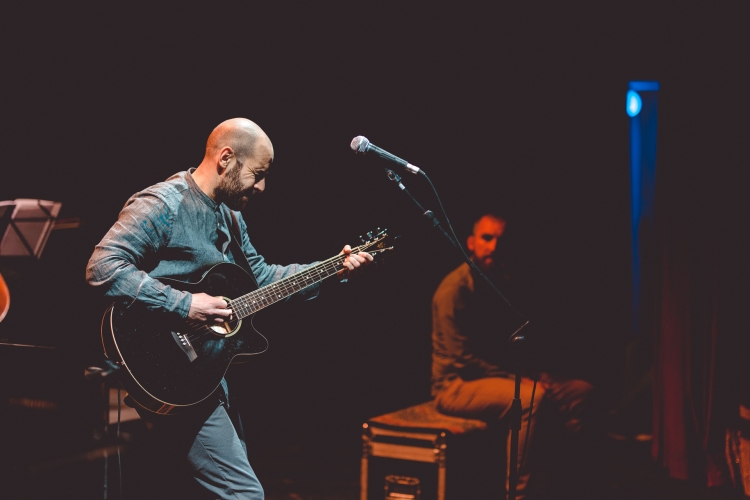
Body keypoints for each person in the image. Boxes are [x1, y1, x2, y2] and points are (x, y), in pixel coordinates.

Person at [86, 118, 372, 499]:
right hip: (161, 367)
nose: (262, 186)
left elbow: (261, 279)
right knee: (244, 494)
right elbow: (102, 267)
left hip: (201, 373)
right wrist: (187, 305)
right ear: (226, 158)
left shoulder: (230, 215)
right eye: (258, 173)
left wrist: (331, 268)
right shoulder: (164, 203)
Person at [431, 214, 594, 499]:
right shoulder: (453, 290)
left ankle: (565, 486)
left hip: (499, 377)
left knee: (580, 392)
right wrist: (522, 379)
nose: (494, 246)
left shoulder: (501, 281)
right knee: (531, 399)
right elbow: (462, 360)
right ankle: (517, 495)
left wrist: (535, 373)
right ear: (471, 243)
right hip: (455, 385)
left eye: (500, 239)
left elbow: (515, 342)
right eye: (486, 238)